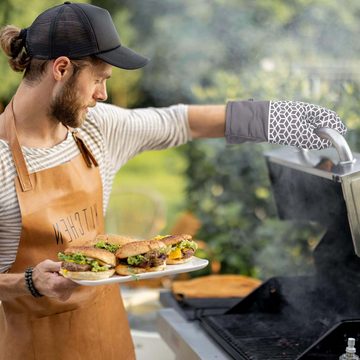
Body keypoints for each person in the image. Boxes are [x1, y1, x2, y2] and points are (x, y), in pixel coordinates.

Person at [0, 2, 346, 360]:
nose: (102, 94)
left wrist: (275, 119)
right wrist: (29, 282)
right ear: (61, 68)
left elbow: (183, 122)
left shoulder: (96, 129)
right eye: (99, 79)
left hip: (107, 338)